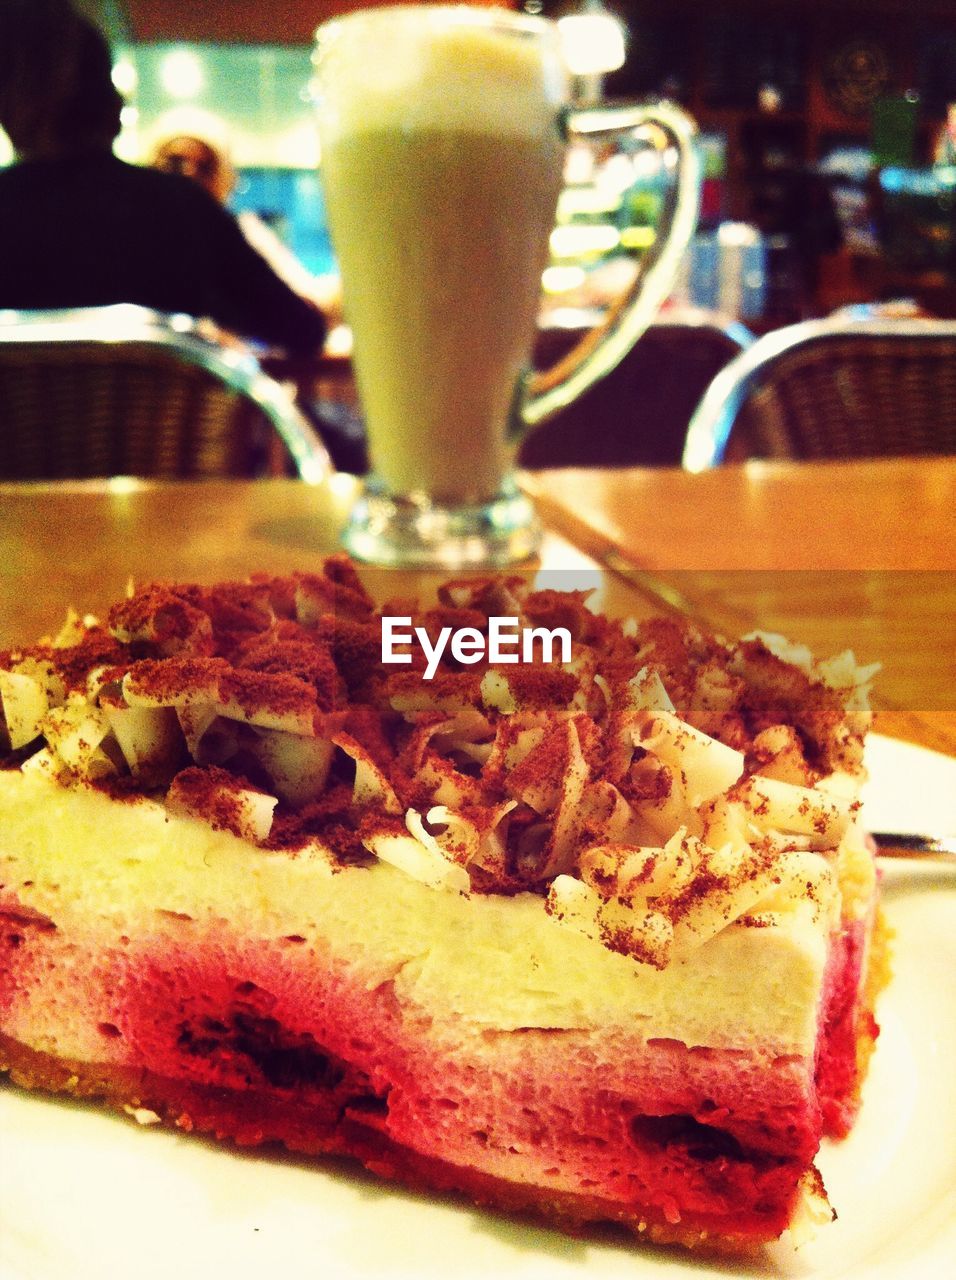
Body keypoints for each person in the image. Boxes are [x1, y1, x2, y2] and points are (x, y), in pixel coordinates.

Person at [0, 1, 326, 357]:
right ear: (112, 107)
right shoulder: (180, 209)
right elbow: (302, 330)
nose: (187, 170)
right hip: (161, 415)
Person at [150, 132, 343, 321]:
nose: (189, 173)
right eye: (175, 163)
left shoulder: (244, 231)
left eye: (206, 167)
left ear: (223, 179)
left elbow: (304, 300)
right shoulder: (136, 233)